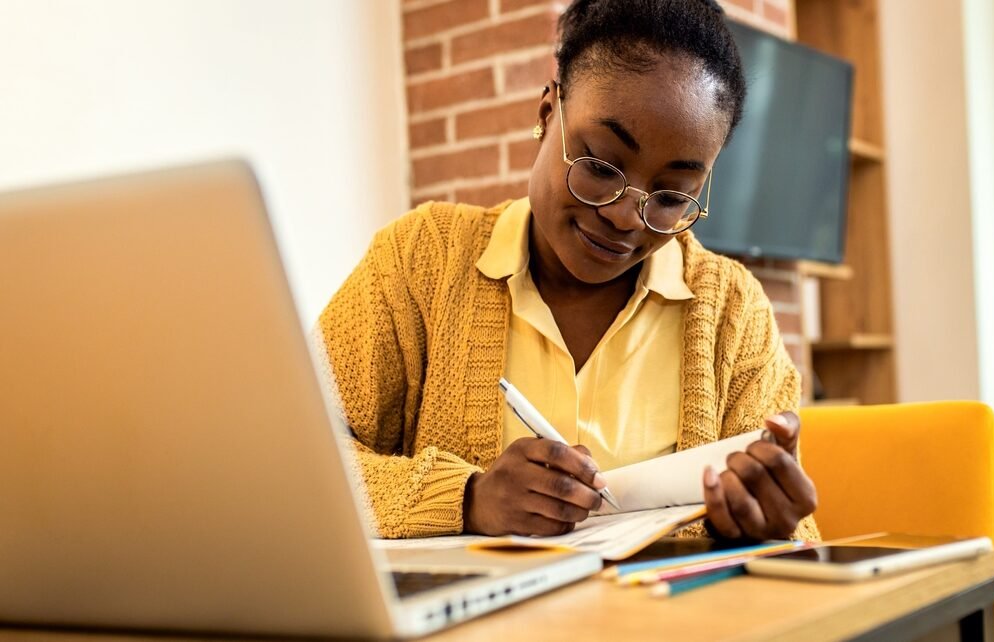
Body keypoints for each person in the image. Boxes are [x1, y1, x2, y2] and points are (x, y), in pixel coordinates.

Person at [316, 0, 819, 542]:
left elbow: (798, 543)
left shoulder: (733, 313)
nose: (627, 216)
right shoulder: (422, 261)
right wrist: (468, 500)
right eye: (601, 165)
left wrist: (767, 528)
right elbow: (290, 461)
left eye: (673, 195)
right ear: (547, 113)